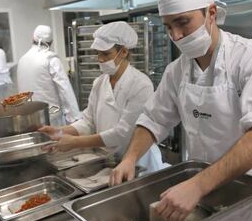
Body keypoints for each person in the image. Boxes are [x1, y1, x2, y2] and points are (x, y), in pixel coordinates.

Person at [110, 0, 252, 221]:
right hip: (203, 190)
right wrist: (130, 157)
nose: (176, 35)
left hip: (251, 191)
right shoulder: (177, 71)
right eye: (168, 26)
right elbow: (154, 119)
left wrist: (197, 185)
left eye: (183, 22)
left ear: (211, 13)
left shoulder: (251, 60)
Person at [40, 22, 163, 172]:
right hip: (109, 160)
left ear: (123, 52)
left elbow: (122, 133)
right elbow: (88, 122)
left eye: (105, 54)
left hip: (139, 163)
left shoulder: (141, 85)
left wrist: (76, 142)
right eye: (98, 53)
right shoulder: (100, 82)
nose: (100, 59)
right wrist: (59, 132)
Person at [17, 25, 81, 126]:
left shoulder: (22, 60)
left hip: (28, 118)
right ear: (51, 42)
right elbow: (65, 90)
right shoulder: (51, 59)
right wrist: (74, 119)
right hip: (50, 118)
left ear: (32, 38)